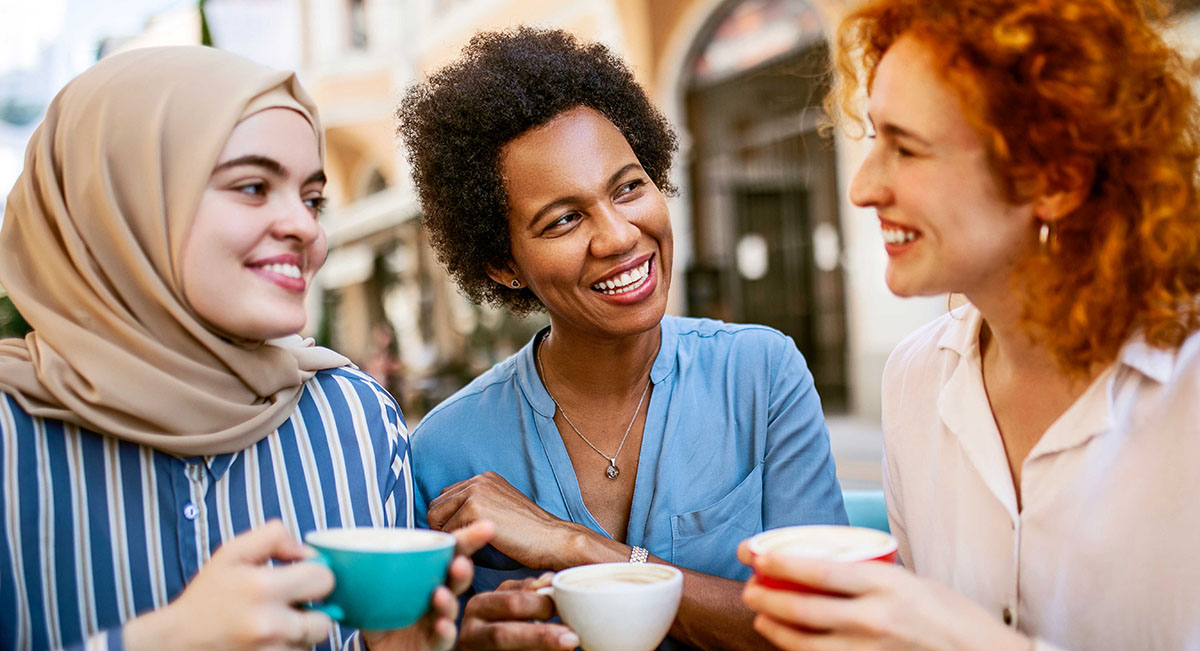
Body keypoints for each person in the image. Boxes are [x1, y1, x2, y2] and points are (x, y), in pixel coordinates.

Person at [738, 0, 1200, 649]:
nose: (863, 188)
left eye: (907, 147)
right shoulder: (915, 380)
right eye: (875, 138)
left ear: (1057, 176)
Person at [0, 46, 493, 651]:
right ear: (121, 205)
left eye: (313, 199)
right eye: (254, 187)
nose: (306, 227)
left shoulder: (355, 421)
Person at [396, 27, 846, 650]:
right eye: (563, 219)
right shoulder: (443, 452)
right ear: (502, 263)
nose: (618, 236)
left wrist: (578, 548)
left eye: (628, 188)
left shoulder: (760, 375)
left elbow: (830, 629)